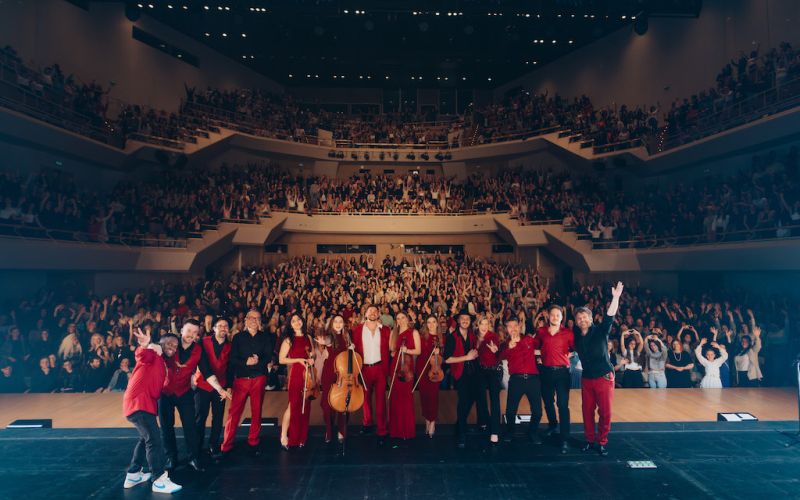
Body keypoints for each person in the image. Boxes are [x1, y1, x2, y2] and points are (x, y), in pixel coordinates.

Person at [122, 327, 181, 494]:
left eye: (175, 345)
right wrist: (146, 345)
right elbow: (142, 355)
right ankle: (159, 480)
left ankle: (133, 474)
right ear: (160, 343)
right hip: (138, 404)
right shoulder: (153, 355)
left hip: (143, 405)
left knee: (145, 439)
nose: (172, 346)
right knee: (154, 440)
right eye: (169, 343)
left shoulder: (161, 363)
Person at [574, 281, 623, 456]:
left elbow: (610, 315)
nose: (582, 320)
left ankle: (601, 441)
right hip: (587, 378)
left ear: (591, 317)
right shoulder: (577, 336)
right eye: (579, 318)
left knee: (605, 412)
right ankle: (589, 440)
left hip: (604, 377)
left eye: (585, 317)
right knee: (587, 412)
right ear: (576, 322)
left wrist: (615, 297)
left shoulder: (601, 330)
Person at [221, 309, 274, 455]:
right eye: (251, 318)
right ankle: (226, 443)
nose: (254, 321)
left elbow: (267, 357)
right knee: (234, 412)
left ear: (260, 321)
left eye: (257, 318)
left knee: (257, 411)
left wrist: (255, 364)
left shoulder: (266, 337)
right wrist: (246, 362)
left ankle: (253, 440)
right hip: (241, 379)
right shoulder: (238, 337)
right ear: (246, 320)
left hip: (259, 378)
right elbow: (233, 359)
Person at [534, 305, 574, 453]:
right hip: (546, 372)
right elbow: (535, 346)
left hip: (563, 373)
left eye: (558, 315)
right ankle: (552, 425)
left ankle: (564, 439)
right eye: (553, 315)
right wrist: (538, 358)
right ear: (548, 316)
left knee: (562, 405)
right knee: (548, 402)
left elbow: (577, 348)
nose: (555, 317)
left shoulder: (568, 333)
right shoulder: (541, 331)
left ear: (562, 317)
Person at [351, 305, 391, 446]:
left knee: (381, 401)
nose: (373, 313)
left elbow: (391, 348)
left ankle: (382, 431)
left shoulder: (386, 330)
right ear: (365, 313)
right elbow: (353, 349)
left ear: (378, 314)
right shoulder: (356, 330)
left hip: (380, 368)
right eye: (370, 311)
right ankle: (367, 424)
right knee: (365, 400)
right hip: (364, 369)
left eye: (375, 311)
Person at [500, 317, 543, 444]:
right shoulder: (505, 345)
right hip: (516, 380)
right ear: (506, 329)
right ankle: (510, 431)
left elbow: (541, 345)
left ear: (519, 326)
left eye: (515, 325)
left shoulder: (529, 339)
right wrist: (509, 347)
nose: (513, 328)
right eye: (509, 326)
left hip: (533, 379)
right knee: (510, 411)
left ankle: (533, 431)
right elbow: (500, 357)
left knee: (537, 411)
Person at [444, 310, 483, 449]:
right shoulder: (452, 337)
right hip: (460, 374)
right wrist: (466, 357)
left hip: (473, 373)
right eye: (463, 318)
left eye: (467, 318)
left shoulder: (472, 336)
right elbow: (447, 359)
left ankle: (459, 425)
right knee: (463, 401)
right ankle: (461, 432)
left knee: (472, 398)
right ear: (459, 321)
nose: (465, 320)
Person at [194, 317, 232, 459]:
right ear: (214, 328)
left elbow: (230, 368)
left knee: (218, 417)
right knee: (200, 417)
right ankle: (197, 446)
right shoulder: (203, 342)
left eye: (226, 325)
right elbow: (202, 365)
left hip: (221, 385)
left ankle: (213, 444)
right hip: (203, 384)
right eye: (220, 325)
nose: (223, 328)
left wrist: (228, 386)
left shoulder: (231, 346)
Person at [278, 314, 313, 449]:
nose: (297, 322)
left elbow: (312, 354)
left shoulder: (308, 337)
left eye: (298, 319)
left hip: (308, 374)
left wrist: (312, 359)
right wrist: (298, 360)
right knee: (293, 406)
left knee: (306, 406)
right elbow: (281, 359)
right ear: (290, 324)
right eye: (293, 321)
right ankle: (285, 436)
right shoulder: (288, 340)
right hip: (296, 374)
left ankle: (301, 437)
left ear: (302, 321)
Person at [387, 311, 421, 441]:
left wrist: (407, 350)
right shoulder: (393, 332)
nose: (400, 320)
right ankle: (395, 431)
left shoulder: (414, 332)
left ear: (407, 319)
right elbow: (391, 350)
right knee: (395, 398)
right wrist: (394, 352)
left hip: (407, 368)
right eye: (398, 318)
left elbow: (418, 351)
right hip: (395, 368)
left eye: (403, 318)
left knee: (406, 398)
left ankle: (407, 430)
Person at [317, 315, 349, 443]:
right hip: (329, 372)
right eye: (335, 321)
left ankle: (341, 430)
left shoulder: (347, 337)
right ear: (331, 323)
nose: (338, 323)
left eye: (340, 321)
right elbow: (324, 338)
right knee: (327, 403)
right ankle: (328, 431)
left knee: (342, 402)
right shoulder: (329, 336)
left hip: (343, 374)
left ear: (343, 324)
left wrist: (352, 348)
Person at [476, 315, 502, 444]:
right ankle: (484, 422)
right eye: (482, 324)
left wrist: (495, 350)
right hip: (480, 371)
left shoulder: (493, 336)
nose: (484, 327)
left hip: (493, 371)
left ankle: (495, 431)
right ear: (478, 325)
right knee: (480, 399)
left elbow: (497, 351)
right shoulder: (474, 337)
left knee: (494, 400)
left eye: (486, 324)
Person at [416, 315, 443, 438]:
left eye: (433, 322)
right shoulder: (422, 337)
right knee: (424, 396)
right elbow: (418, 352)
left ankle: (432, 422)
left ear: (437, 324)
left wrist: (439, 352)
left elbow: (444, 355)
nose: (431, 324)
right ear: (426, 324)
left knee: (433, 396)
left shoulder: (441, 338)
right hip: (422, 368)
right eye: (429, 322)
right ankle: (427, 419)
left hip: (434, 370)